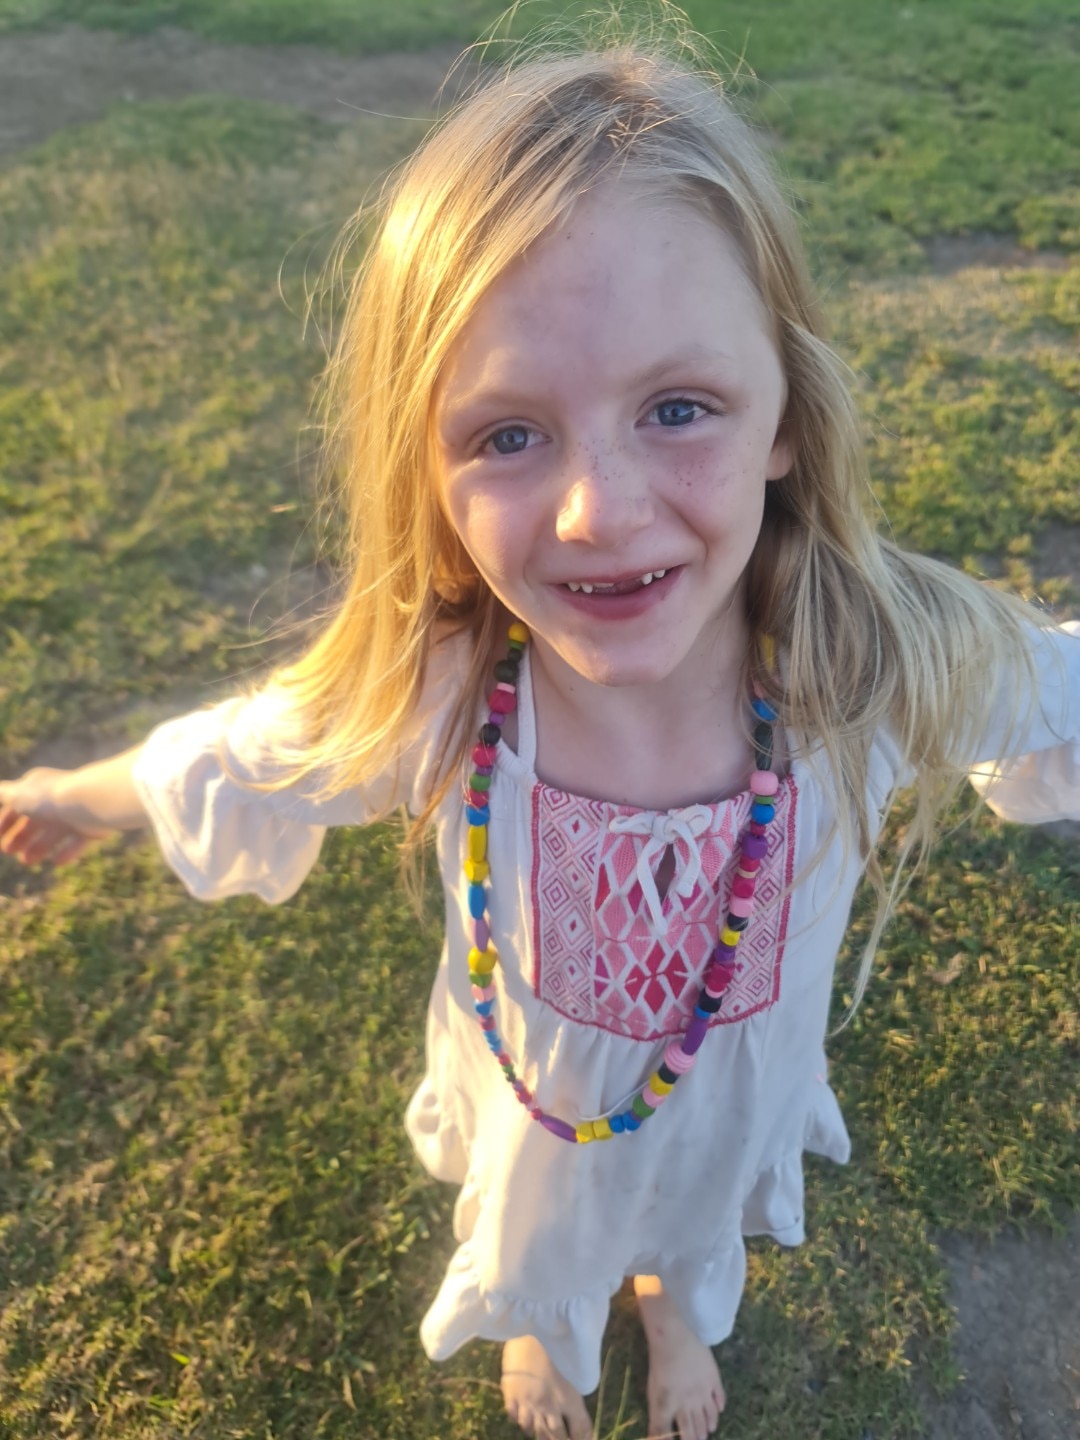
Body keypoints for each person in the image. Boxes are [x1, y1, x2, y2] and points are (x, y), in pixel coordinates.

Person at [1, 34, 1078, 1440]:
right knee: (543, 1231)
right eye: (508, 436)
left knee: (686, 1212)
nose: (599, 511)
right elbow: (237, 756)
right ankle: (547, 1334)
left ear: (784, 421)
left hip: (721, 1101)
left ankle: (668, 1304)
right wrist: (72, 795)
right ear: (426, 470)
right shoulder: (444, 696)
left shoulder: (866, 666)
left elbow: (1055, 687)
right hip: (535, 1111)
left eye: (677, 408)